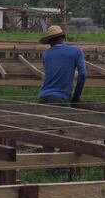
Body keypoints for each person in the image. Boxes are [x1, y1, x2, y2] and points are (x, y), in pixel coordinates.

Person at [37, 25, 86, 156]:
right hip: (60, 97)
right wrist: (76, 96)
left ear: (50, 42)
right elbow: (82, 75)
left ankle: (47, 161)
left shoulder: (46, 54)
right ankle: (62, 164)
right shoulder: (76, 51)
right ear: (64, 38)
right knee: (63, 130)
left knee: (47, 130)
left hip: (43, 96)